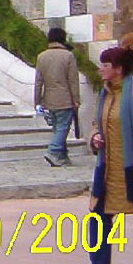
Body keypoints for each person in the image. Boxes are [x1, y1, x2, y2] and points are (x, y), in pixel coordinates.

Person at [73, 46, 133, 264]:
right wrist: (95, 136)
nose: (101, 68)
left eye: (105, 65)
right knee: (99, 217)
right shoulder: (105, 94)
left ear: (119, 69)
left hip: (132, 168)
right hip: (107, 168)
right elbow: (96, 121)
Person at [34, 26, 81, 167]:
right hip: (65, 99)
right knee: (63, 128)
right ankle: (53, 151)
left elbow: (38, 81)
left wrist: (37, 101)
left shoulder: (41, 56)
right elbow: (73, 79)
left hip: (48, 99)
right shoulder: (68, 56)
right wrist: (76, 99)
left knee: (57, 128)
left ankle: (62, 156)